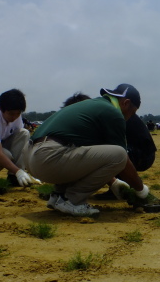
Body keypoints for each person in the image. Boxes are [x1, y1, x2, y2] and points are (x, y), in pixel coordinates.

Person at [24, 83, 150, 217]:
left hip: (30, 156)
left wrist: (113, 182)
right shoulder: (113, 113)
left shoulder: (94, 106)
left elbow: (88, 159)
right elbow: (122, 160)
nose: (130, 117)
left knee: (78, 151)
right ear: (126, 103)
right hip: (47, 158)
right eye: (133, 112)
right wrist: (140, 190)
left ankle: (58, 196)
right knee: (119, 155)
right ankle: (72, 200)